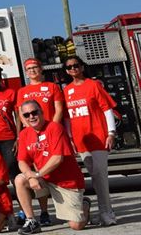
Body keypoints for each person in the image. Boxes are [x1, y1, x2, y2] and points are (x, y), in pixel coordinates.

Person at [15, 100, 88, 234]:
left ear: (41, 112)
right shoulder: (25, 134)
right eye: (26, 115)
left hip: (66, 182)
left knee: (76, 225)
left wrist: (36, 175)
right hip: (44, 178)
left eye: (34, 112)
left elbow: (57, 158)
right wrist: (29, 175)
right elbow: (22, 161)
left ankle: (84, 205)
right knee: (20, 180)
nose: (31, 117)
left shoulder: (55, 127)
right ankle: (31, 221)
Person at [62, 56, 118, 226]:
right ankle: (102, 212)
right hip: (81, 141)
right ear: (66, 71)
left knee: (101, 176)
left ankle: (107, 214)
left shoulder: (93, 85)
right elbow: (67, 118)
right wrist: (70, 137)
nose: (73, 69)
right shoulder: (66, 91)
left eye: (76, 65)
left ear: (82, 67)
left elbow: (106, 108)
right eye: (69, 67)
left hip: (99, 137)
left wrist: (111, 133)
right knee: (94, 177)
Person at [16, 58, 64, 225]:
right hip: (33, 138)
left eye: (35, 67)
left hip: (51, 135)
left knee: (49, 171)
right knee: (35, 176)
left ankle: (45, 211)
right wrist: (28, 132)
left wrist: (52, 130)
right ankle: (42, 213)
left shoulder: (52, 87)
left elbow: (58, 109)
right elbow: (22, 115)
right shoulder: (22, 91)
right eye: (28, 68)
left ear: (41, 68)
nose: (32, 71)